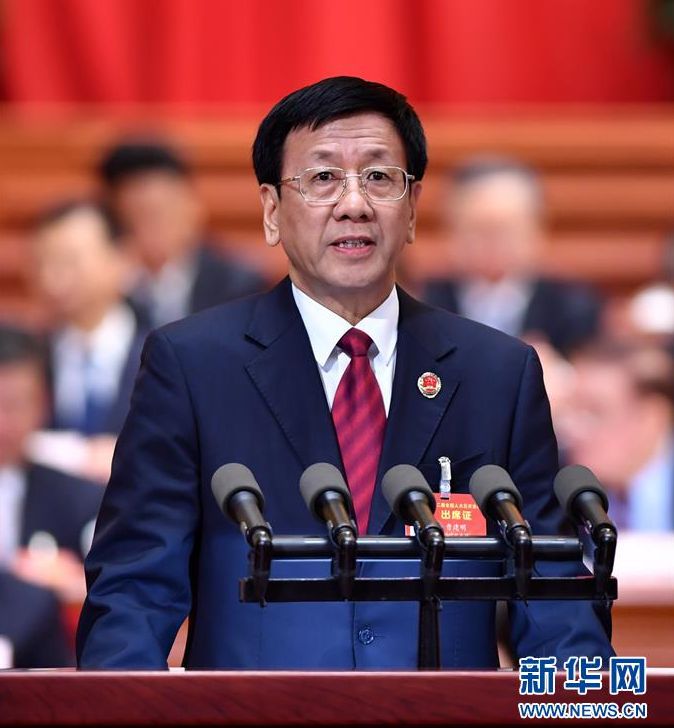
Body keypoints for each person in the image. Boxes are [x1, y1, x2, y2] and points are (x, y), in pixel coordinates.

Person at [77, 77, 613, 670]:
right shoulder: (193, 365)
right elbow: (133, 593)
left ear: (412, 210)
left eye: (379, 177)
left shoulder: (497, 374)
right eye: (323, 178)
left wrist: (593, 702)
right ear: (271, 212)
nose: (354, 203)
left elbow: (551, 597)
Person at [423, 157, 602, 357]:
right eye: (480, 229)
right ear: (450, 229)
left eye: (507, 229)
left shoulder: (574, 307)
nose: (493, 243)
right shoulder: (421, 304)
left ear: (538, 229)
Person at [30, 201, 147, 482]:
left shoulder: (162, 352)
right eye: (43, 262)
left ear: (122, 258)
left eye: (70, 260)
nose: (53, 276)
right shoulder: (31, 357)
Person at [0, 324, 103, 636]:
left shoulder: (78, 500)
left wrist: (72, 584)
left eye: (14, 405)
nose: (2, 423)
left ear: (44, 404)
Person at [98, 139, 266, 329]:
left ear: (194, 208)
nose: (154, 229)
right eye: (139, 215)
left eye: (164, 211)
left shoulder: (237, 284)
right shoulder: (107, 290)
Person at [562, 341, 674, 531]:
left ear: (651, 419)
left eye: (594, 412)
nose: (572, 429)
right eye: (571, 411)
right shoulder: (558, 496)